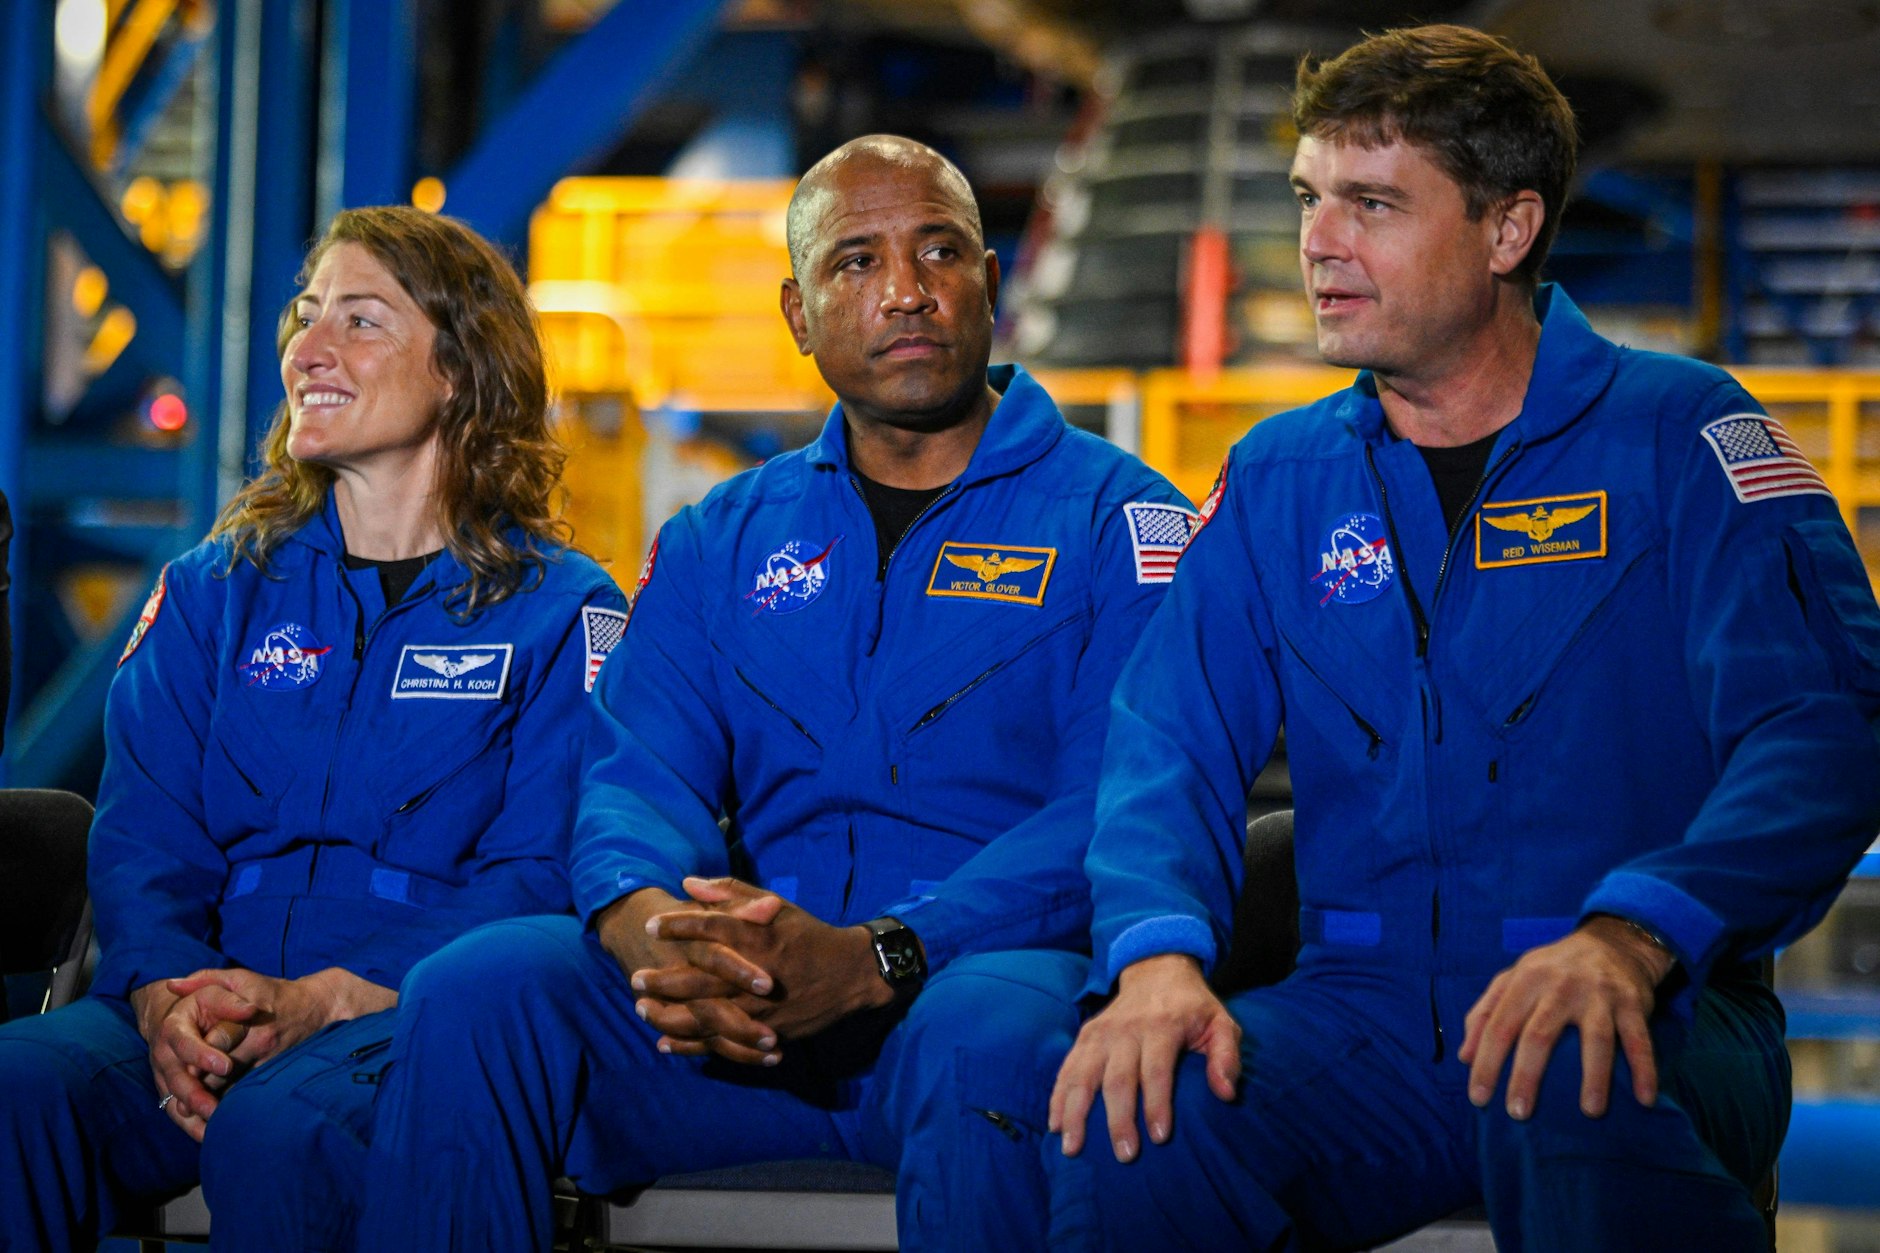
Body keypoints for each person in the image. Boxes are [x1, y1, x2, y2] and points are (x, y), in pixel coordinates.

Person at [1036, 24, 1880, 1251]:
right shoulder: (1277, 479)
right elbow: (1162, 745)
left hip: (1650, 1003)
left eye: (1370, 203)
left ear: (1505, 230)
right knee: (1134, 1119)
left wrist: (1635, 931)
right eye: (1309, 199)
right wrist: (1155, 958)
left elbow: (1824, 731)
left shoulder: (1677, 438)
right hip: (1360, 1014)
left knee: (1561, 1077)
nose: (1318, 242)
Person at [351, 134, 1190, 1252]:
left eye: (939, 251)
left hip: (974, 986)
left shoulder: (1118, 522)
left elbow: (1117, 809)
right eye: (854, 262)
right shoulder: (717, 541)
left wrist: (883, 952)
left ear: (991, 287)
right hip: (748, 1011)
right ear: (796, 317)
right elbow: (634, 777)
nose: (904, 290)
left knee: (985, 1035)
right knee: (480, 986)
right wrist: (652, 927)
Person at [0, 205, 626, 1252]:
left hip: (411, 1011)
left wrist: (326, 997)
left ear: (460, 373)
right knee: (16, 1083)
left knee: (280, 1131)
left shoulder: (559, 611)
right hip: (204, 998)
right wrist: (164, 994)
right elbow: (144, 831)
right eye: (306, 314)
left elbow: (543, 871)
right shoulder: (214, 592)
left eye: (361, 320)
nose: (310, 349)